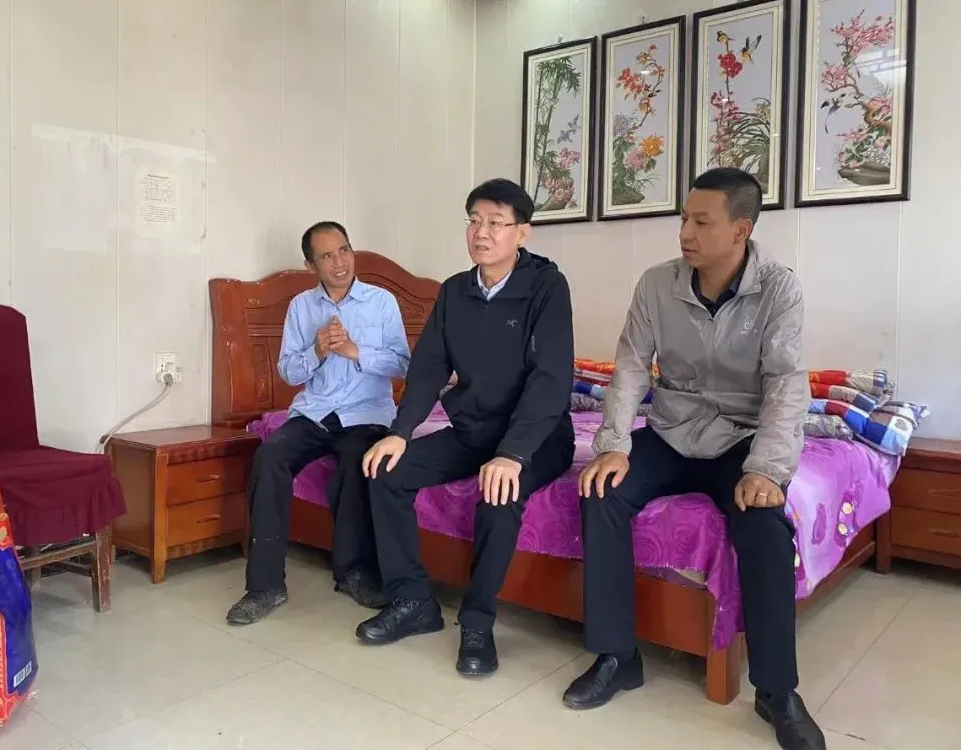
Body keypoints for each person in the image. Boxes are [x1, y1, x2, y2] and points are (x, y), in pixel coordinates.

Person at [562, 168, 824, 750]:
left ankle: (776, 690)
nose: (685, 232)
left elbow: (787, 383)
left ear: (741, 230)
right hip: (672, 430)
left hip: (741, 438)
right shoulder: (657, 284)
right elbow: (631, 366)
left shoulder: (779, 289)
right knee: (600, 491)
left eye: (701, 222)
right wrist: (613, 444)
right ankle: (617, 656)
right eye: (683, 219)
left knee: (764, 526)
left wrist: (767, 469)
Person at [356, 178, 575, 676]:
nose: (482, 232)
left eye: (496, 222)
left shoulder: (546, 287)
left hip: (535, 437)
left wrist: (513, 453)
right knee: (385, 471)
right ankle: (413, 601)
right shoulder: (455, 291)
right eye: (474, 221)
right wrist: (400, 431)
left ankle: (477, 622)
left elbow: (551, 379)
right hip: (472, 430)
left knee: (499, 494)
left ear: (522, 233)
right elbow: (429, 367)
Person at [226, 221, 410, 626]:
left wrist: (355, 350)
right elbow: (289, 372)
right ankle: (265, 587)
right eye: (327, 256)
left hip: (366, 414)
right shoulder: (301, 307)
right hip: (314, 413)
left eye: (344, 250)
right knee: (269, 457)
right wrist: (318, 351)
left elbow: (403, 364)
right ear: (311, 265)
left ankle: (353, 573)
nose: (340, 262)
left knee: (357, 464)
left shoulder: (381, 302)